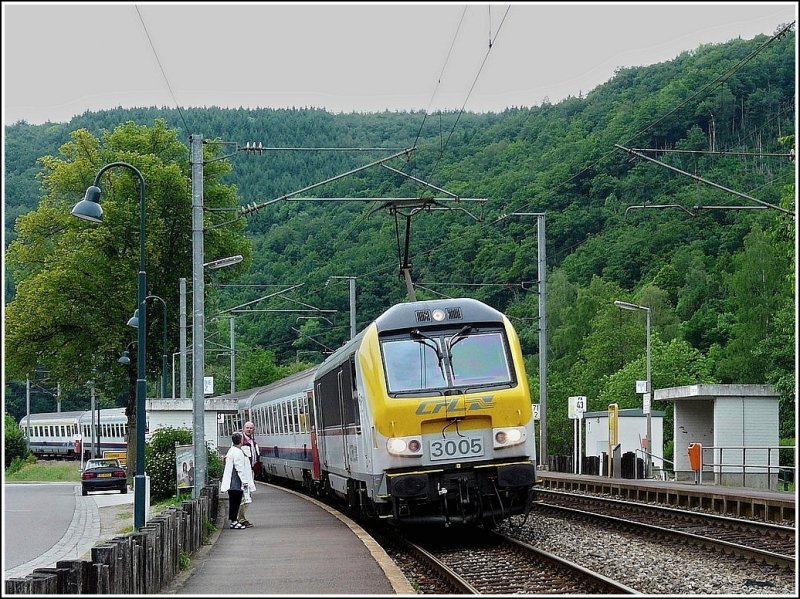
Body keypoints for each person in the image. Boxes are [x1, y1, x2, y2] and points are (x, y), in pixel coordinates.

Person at [220, 432, 254, 530]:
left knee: (233, 502)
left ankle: (233, 521)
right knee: (236, 502)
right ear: (241, 441)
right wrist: (244, 481)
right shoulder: (238, 452)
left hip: (231, 481)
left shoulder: (231, 450)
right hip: (236, 482)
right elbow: (239, 468)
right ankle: (234, 521)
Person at [237, 421, 261, 527]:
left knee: (248, 495)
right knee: (244, 496)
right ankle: (240, 519)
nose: (249, 430)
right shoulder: (240, 441)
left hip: (250, 471)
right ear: (243, 429)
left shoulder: (252, 441)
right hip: (243, 472)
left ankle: (240, 518)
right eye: (247, 428)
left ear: (253, 430)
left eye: (251, 428)